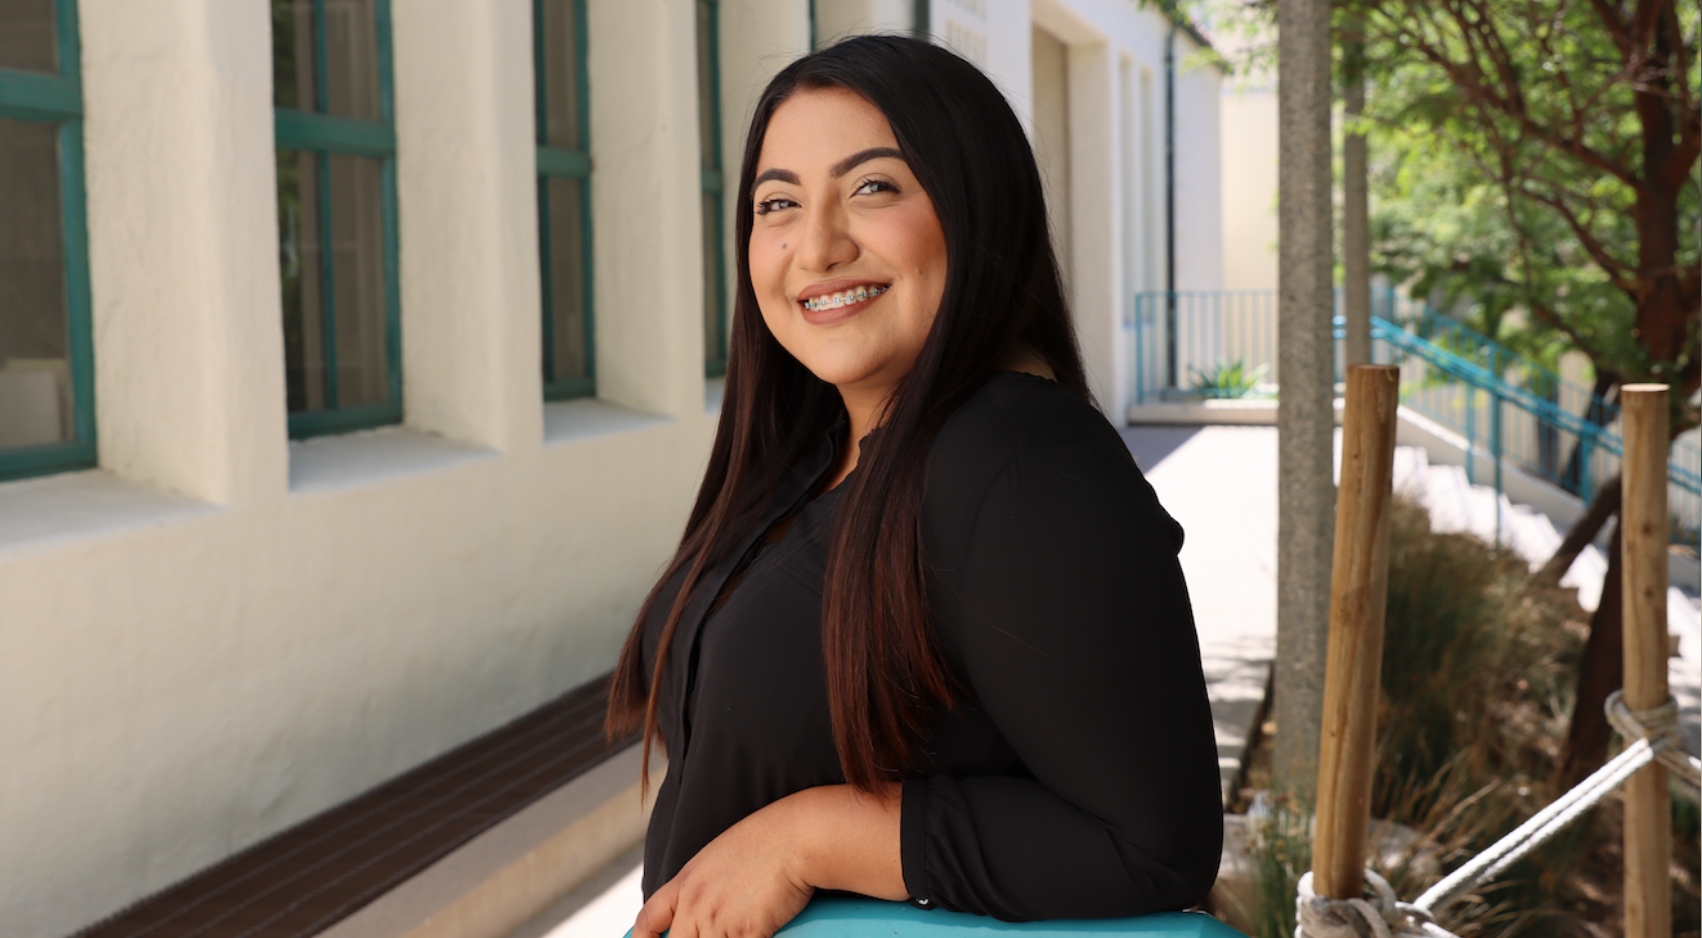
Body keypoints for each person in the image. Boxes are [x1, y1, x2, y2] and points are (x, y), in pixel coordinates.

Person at [606, 35, 1222, 938]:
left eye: (872, 188)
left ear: (978, 210)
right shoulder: (814, 452)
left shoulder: (1021, 459)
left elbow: (1150, 845)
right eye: (778, 204)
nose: (815, 246)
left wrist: (809, 836)